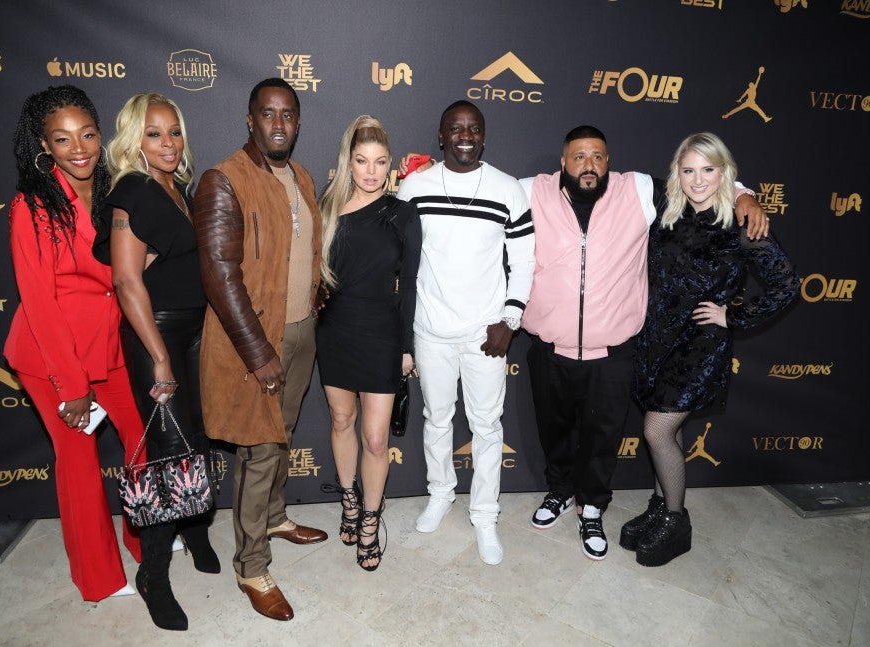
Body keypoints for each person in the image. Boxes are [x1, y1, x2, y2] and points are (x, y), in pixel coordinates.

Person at [518, 125, 768, 561]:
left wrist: (743, 193)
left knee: (603, 438)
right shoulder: (531, 191)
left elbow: (695, 184)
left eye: (598, 156)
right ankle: (559, 492)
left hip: (613, 352)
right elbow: (479, 189)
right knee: (554, 432)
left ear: (608, 161)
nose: (589, 165)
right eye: (579, 156)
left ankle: (592, 507)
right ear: (563, 162)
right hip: (548, 346)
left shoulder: (635, 190)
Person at [622, 132, 798, 567]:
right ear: (677, 174)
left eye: (708, 169)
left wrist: (732, 316)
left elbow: (786, 285)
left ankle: (676, 522)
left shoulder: (742, 224)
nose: (698, 180)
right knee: (668, 429)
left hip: (698, 347)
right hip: (655, 340)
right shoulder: (667, 211)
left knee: (656, 430)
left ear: (725, 172)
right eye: (689, 170)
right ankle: (661, 504)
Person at [3, 85, 145, 602]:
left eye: (87, 134)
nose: (79, 148)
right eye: (62, 139)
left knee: (142, 438)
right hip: (52, 358)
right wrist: (72, 385)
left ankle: (145, 540)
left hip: (110, 344)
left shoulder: (113, 190)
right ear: (44, 146)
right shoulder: (32, 206)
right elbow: (39, 303)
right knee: (79, 461)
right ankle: (99, 578)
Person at [193, 77, 327, 622]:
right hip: (252, 343)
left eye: (288, 114)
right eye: (268, 114)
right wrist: (258, 352)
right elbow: (220, 277)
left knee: (282, 435)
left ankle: (273, 517)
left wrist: (313, 306)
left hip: (300, 332)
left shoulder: (302, 176)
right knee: (259, 450)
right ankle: (251, 566)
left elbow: (306, 252)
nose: (278, 123)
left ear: (298, 123)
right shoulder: (223, 180)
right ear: (250, 120)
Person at [92, 92, 219, 630]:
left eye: (174, 131)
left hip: (194, 331)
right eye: (153, 133)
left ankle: (196, 532)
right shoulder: (131, 192)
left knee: (198, 437)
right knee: (171, 453)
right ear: (133, 140)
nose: (168, 143)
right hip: (158, 336)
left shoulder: (176, 188)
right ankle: (154, 574)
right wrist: (159, 356)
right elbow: (126, 280)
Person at [396, 100, 535, 566]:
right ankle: (441, 494)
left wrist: (509, 321)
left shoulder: (507, 189)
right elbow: (399, 258)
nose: (465, 136)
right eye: (455, 128)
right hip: (431, 330)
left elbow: (525, 260)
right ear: (441, 136)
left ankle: (485, 514)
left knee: (486, 426)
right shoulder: (415, 187)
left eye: (473, 128)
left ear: (483, 136)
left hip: (485, 334)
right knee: (437, 419)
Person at [316, 115, 421, 571]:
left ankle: (371, 521)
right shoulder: (326, 208)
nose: (371, 171)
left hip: (382, 334)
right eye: (362, 161)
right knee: (342, 420)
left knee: (376, 439)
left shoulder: (403, 214)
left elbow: (410, 285)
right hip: (335, 330)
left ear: (391, 164)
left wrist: (406, 347)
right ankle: (349, 501)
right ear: (348, 162)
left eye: (380, 162)